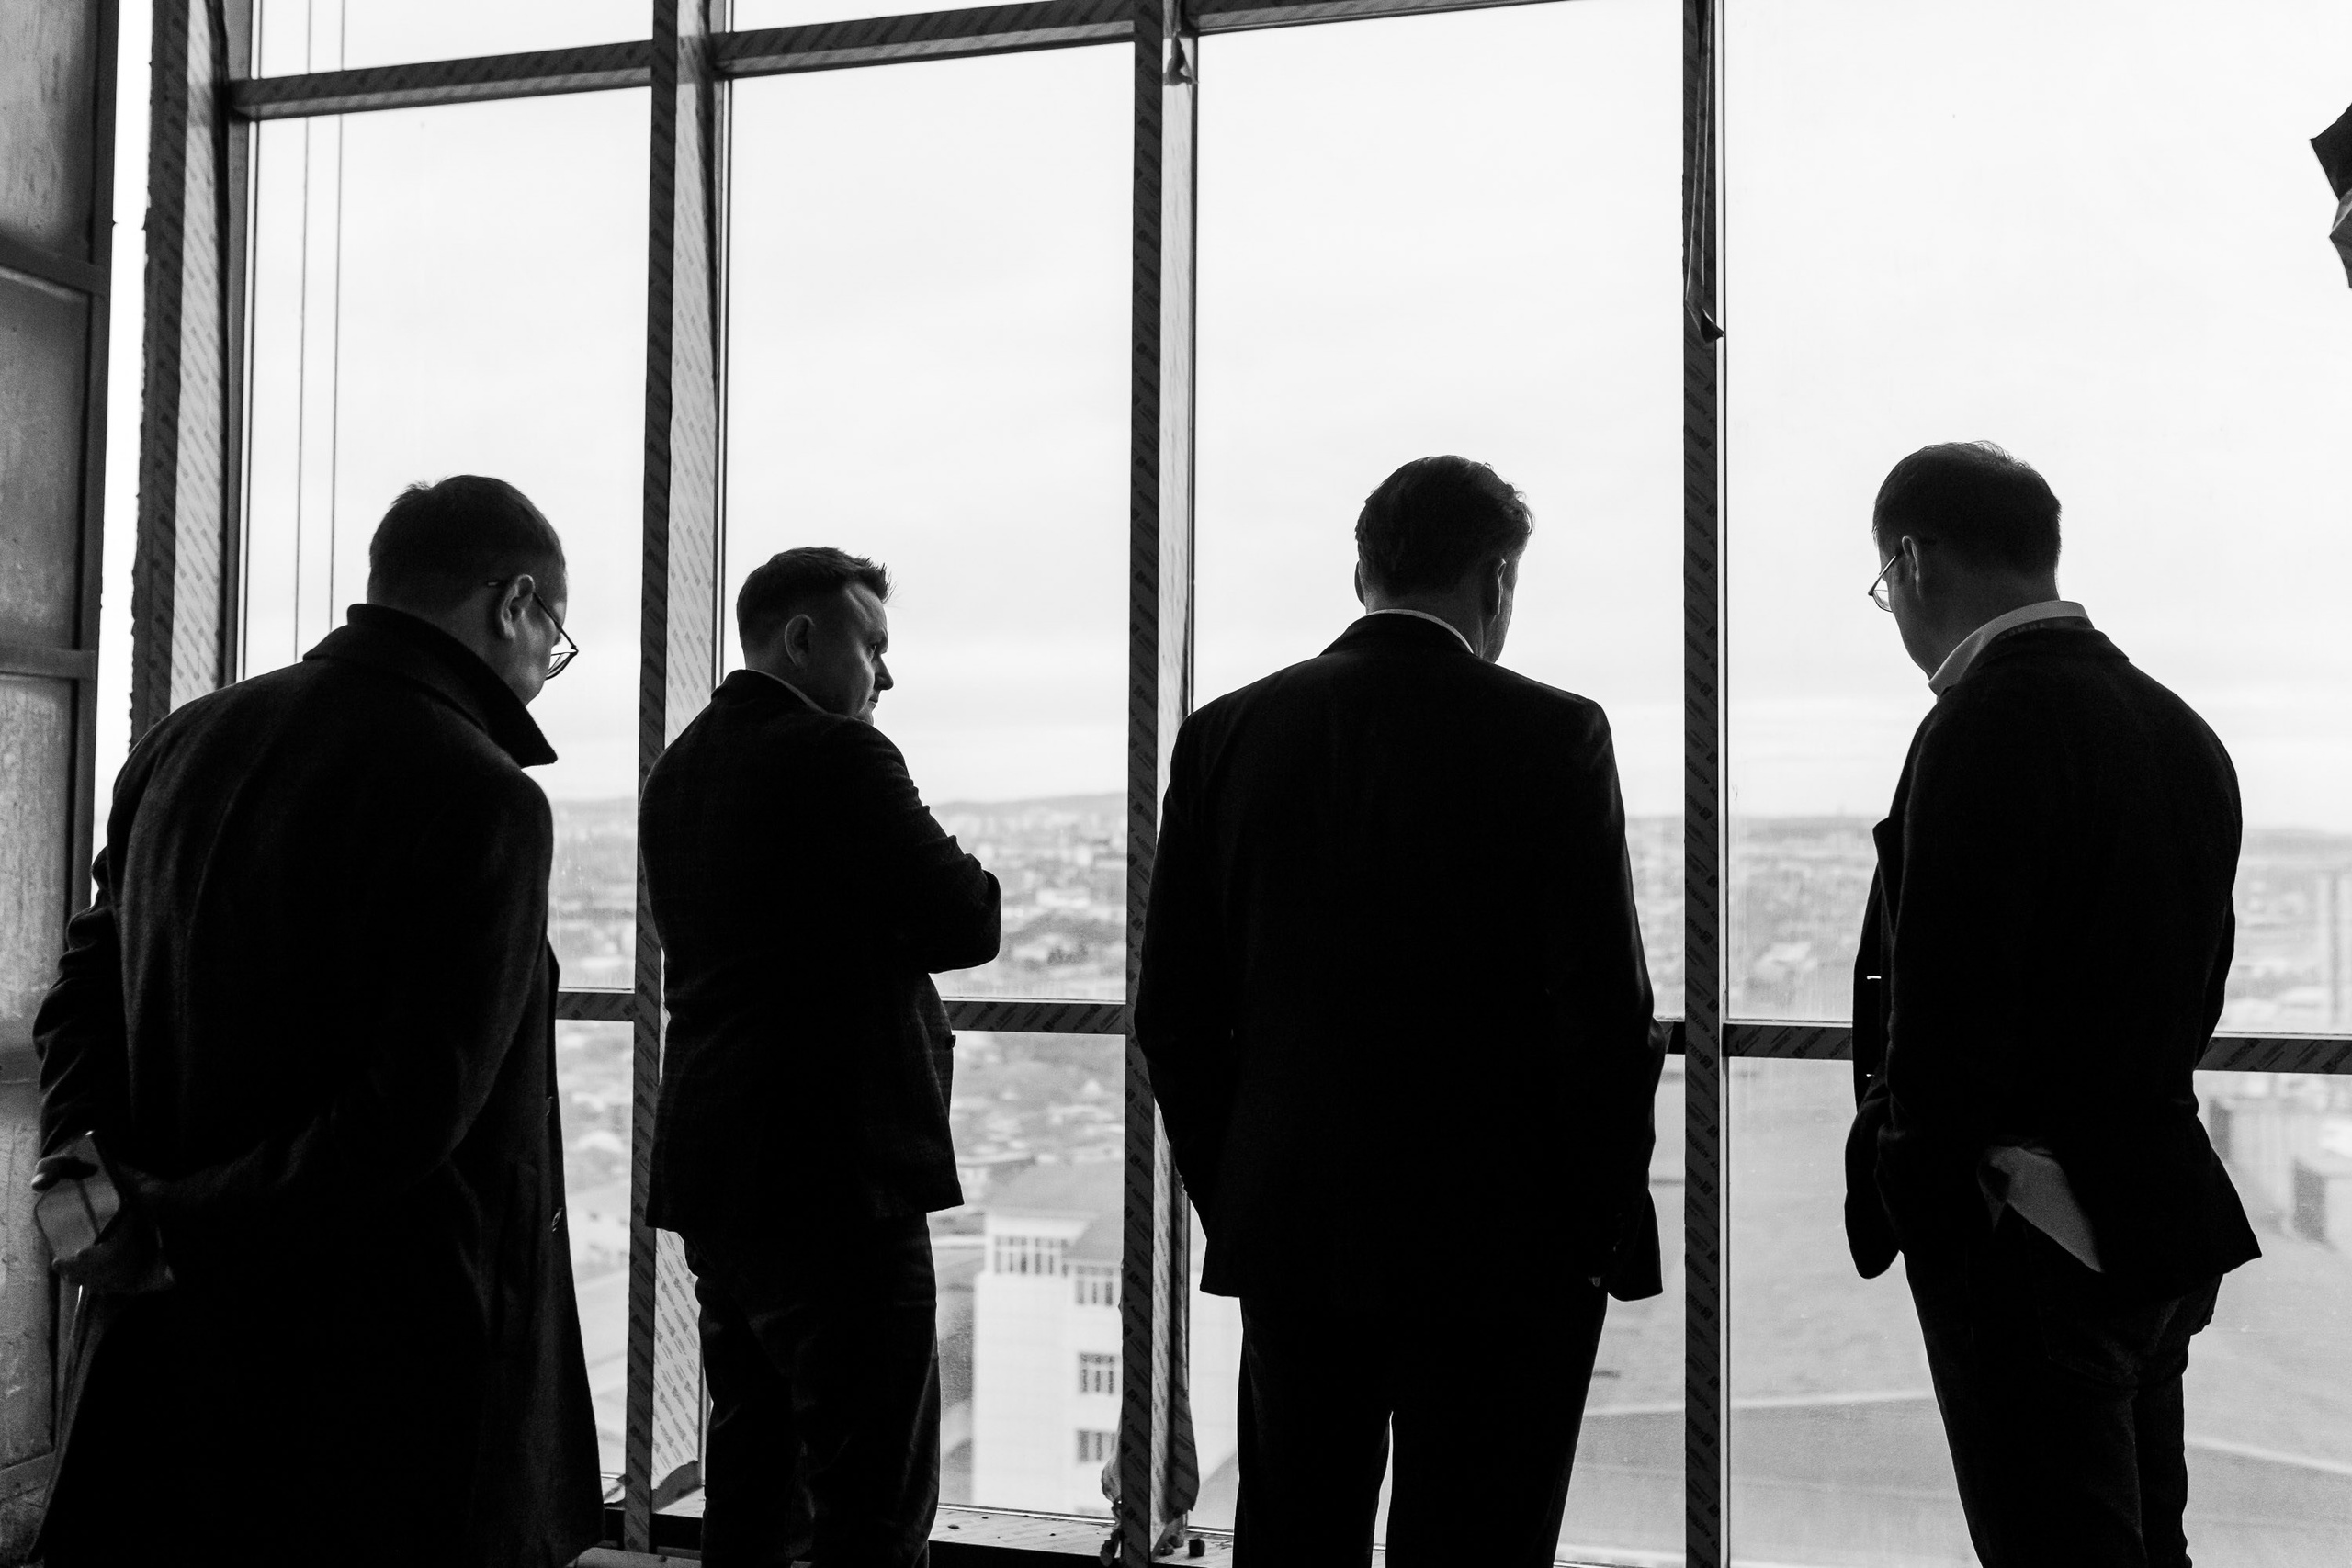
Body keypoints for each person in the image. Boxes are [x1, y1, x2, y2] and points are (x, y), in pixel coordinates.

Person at [31, 475, 601, 1566]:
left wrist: (103, 1190)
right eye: (554, 638)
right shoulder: (482, 792)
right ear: (514, 602)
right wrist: (184, 1232)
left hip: (172, 1352)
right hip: (386, 1366)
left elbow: (83, 990)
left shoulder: (186, 740)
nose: (544, 670)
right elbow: (410, 1116)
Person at [1135, 456, 1665, 1568]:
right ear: (1497, 580)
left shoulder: (1227, 735)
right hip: (1503, 1241)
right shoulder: (1554, 735)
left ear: (1364, 569)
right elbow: (1605, 1018)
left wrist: (1240, 1189)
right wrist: (1593, 1222)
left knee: (1298, 1528)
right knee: (1475, 1536)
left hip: (1294, 1228)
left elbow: (1176, 1014)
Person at [1845, 442, 2260, 1568]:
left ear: (1916, 561)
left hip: (2022, 1230)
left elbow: (1944, 1011)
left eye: (1885, 584)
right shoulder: (2180, 729)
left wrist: (1928, 1197)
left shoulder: (1983, 724)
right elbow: (2200, 980)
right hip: (2150, 1209)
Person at [641, 547, 999, 1568]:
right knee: (872, 1492)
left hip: (719, 1171)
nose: (885, 678)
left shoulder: (681, 767)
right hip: (839, 1177)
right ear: (803, 638)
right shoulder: (837, 756)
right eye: (872, 646)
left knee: (753, 1469)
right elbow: (964, 917)